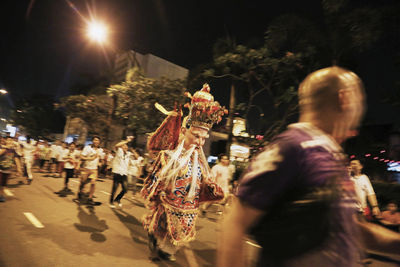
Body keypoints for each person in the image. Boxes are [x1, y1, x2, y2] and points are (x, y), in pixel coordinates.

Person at [218, 67, 400, 267]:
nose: (362, 108)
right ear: (345, 98)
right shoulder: (293, 147)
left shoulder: (329, 154)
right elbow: (235, 224)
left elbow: (348, 228)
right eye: (361, 99)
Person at [141, 84, 226, 261]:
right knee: (160, 226)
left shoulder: (200, 161)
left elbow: (203, 181)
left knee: (178, 234)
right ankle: (155, 239)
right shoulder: (168, 156)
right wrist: (156, 193)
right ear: (184, 131)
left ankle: (166, 250)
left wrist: (210, 187)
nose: (200, 142)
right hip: (167, 201)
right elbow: (155, 179)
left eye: (203, 138)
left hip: (188, 206)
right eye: (196, 136)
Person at [77, 136, 103, 205]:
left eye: (97, 140)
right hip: (86, 168)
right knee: (83, 183)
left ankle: (90, 198)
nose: (96, 141)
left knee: (93, 183)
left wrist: (100, 163)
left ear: (99, 142)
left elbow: (100, 158)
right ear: (92, 141)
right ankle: (80, 192)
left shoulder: (100, 150)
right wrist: (89, 159)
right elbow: (81, 156)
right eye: (95, 140)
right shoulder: (87, 148)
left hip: (94, 169)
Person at [109, 136, 133, 208]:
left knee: (125, 189)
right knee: (115, 189)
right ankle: (111, 202)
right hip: (117, 172)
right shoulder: (118, 151)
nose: (126, 147)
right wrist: (127, 141)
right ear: (121, 147)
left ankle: (118, 199)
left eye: (126, 146)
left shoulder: (128, 154)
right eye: (124, 146)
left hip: (124, 173)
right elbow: (117, 145)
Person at [0, 136, 19, 202]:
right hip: (1, 169)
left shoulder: (13, 150)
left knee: (4, 184)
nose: (10, 142)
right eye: (8, 140)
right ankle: (1, 195)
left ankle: (1, 195)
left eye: (11, 140)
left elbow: (16, 159)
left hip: (8, 170)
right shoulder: (2, 148)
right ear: (5, 141)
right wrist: (5, 149)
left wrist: (19, 169)